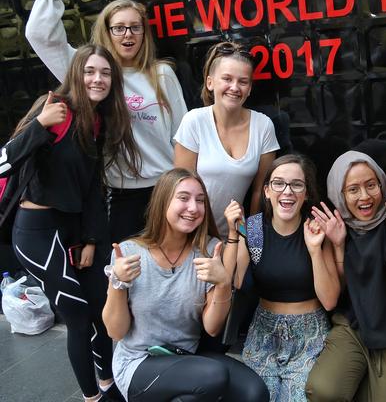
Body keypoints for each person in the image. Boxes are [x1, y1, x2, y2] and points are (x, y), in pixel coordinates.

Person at [3, 44, 139, 402]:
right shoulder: (55, 111)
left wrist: (93, 239)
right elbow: (5, 161)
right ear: (76, 74)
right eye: (90, 71)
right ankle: (91, 397)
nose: (98, 79)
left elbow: (93, 186)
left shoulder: (97, 120)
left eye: (106, 73)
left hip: (74, 230)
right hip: (36, 231)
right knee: (77, 316)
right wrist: (39, 125)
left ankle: (109, 386)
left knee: (101, 309)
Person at [25, 0, 188, 243]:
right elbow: (40, 36)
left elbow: (183, 136)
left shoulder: (162, 74)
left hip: (165, 189)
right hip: (120, 194)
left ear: (144, 33)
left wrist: (182, 188)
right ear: (107, 32)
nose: (128, 34)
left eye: (135, 27)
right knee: (125, 272)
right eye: (119, 28)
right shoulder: (93, 74)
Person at [102, 167, 269, 402]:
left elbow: (211, 328)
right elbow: (115, 331)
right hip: (139, 363)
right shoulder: (129, 252)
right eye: (184, 198)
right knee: (211, 378)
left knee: (254, 392)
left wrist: (222, 284)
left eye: (200, 200)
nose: (193, 208)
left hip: (186, 359)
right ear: (162, 202)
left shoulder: (209, 251)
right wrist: (116, 283)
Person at [306, 151, 386, 402]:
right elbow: (334, 297)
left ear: (382, 183)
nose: (365, 196)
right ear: (339, 194)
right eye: (353, 189)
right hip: (354, 328)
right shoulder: (338, 226)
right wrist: (337, 245)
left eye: (371, 185)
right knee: (324, 390)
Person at [233, 154, 339, 402]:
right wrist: (234, 233)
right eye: (279, 183)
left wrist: (314, 250)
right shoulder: (252, 228)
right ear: (267, 191)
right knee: (257, 395)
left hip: (309, 333)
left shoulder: (316, 229)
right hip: (263, 330)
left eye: (296, 184)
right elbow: (236, 281)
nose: (287, 191)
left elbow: (331, 300)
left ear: (306, 193)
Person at [174, 41, 279, 238]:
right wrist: (188, 240)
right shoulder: (194, 121)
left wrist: (253, 240)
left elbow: (259, 193)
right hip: (194, 234)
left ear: (250, 89)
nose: (234, 87)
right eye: (227, 79)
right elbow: (179, 189)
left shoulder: (263, 126)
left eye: (243, 81)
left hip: (236, 234)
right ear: (210, 82)